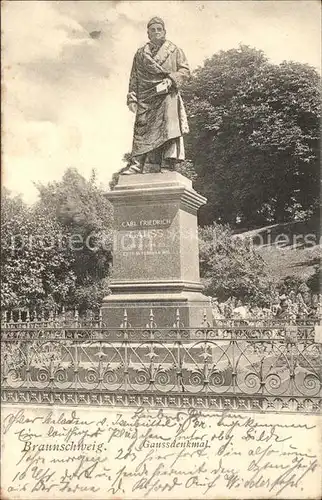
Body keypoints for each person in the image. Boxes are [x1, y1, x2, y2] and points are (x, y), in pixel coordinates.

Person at [121, 17, 190, 175]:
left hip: (167, 95)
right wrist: (132, 98)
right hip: (146, 97)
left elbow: (185, 71)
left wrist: (171, 80)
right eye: (153, 30)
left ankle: (166, 164)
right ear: (148, 33)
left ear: (164, 32)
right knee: (141, 128)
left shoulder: (174, 50)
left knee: (167, 128)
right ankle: (137, 164)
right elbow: (134, 78)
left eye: (159, 29)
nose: (156, 32)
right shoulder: (140, 54)